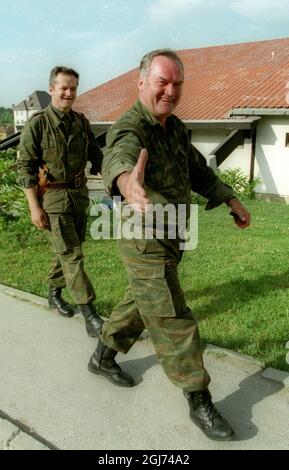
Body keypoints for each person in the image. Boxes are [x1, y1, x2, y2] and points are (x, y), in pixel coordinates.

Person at [88, 50, 251, 441]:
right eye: (163, 81)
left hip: (171, 233)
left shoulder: (173, 127)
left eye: (177, 83)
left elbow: (196, 169)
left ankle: (102, 356)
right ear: (141, 82)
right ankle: (200, 399)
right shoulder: (131, 127)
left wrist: (229, 197)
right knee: (172, 316)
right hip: (143, 239)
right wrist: (128, 183)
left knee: (141, 301)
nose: (171, 90)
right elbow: (120, 158)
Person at [18, 66, 103, 338]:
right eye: (63, 87)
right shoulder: (38, 124)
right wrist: (34, 206)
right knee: (71, 255)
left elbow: (97, 157)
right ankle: (90, 313)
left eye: (73, 88)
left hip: (79, 198)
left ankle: (54, 292)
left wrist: (118, 180)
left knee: (66, 250)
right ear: (52, 89)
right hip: (53, 200)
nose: (69, 93)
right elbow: (25, 168)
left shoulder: (81, 122)